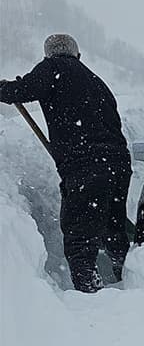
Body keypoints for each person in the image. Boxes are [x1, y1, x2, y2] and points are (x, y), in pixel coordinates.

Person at [0, 34, 133, 293]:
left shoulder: (53, 67)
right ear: (78, 55)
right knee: (113, 225)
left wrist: (2, 88)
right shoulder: (96, 81)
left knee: (79, 231)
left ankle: (87, 290)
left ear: (48, 54)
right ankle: (127, 276)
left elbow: (24, 90)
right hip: (118, 163)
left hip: (86, 164)